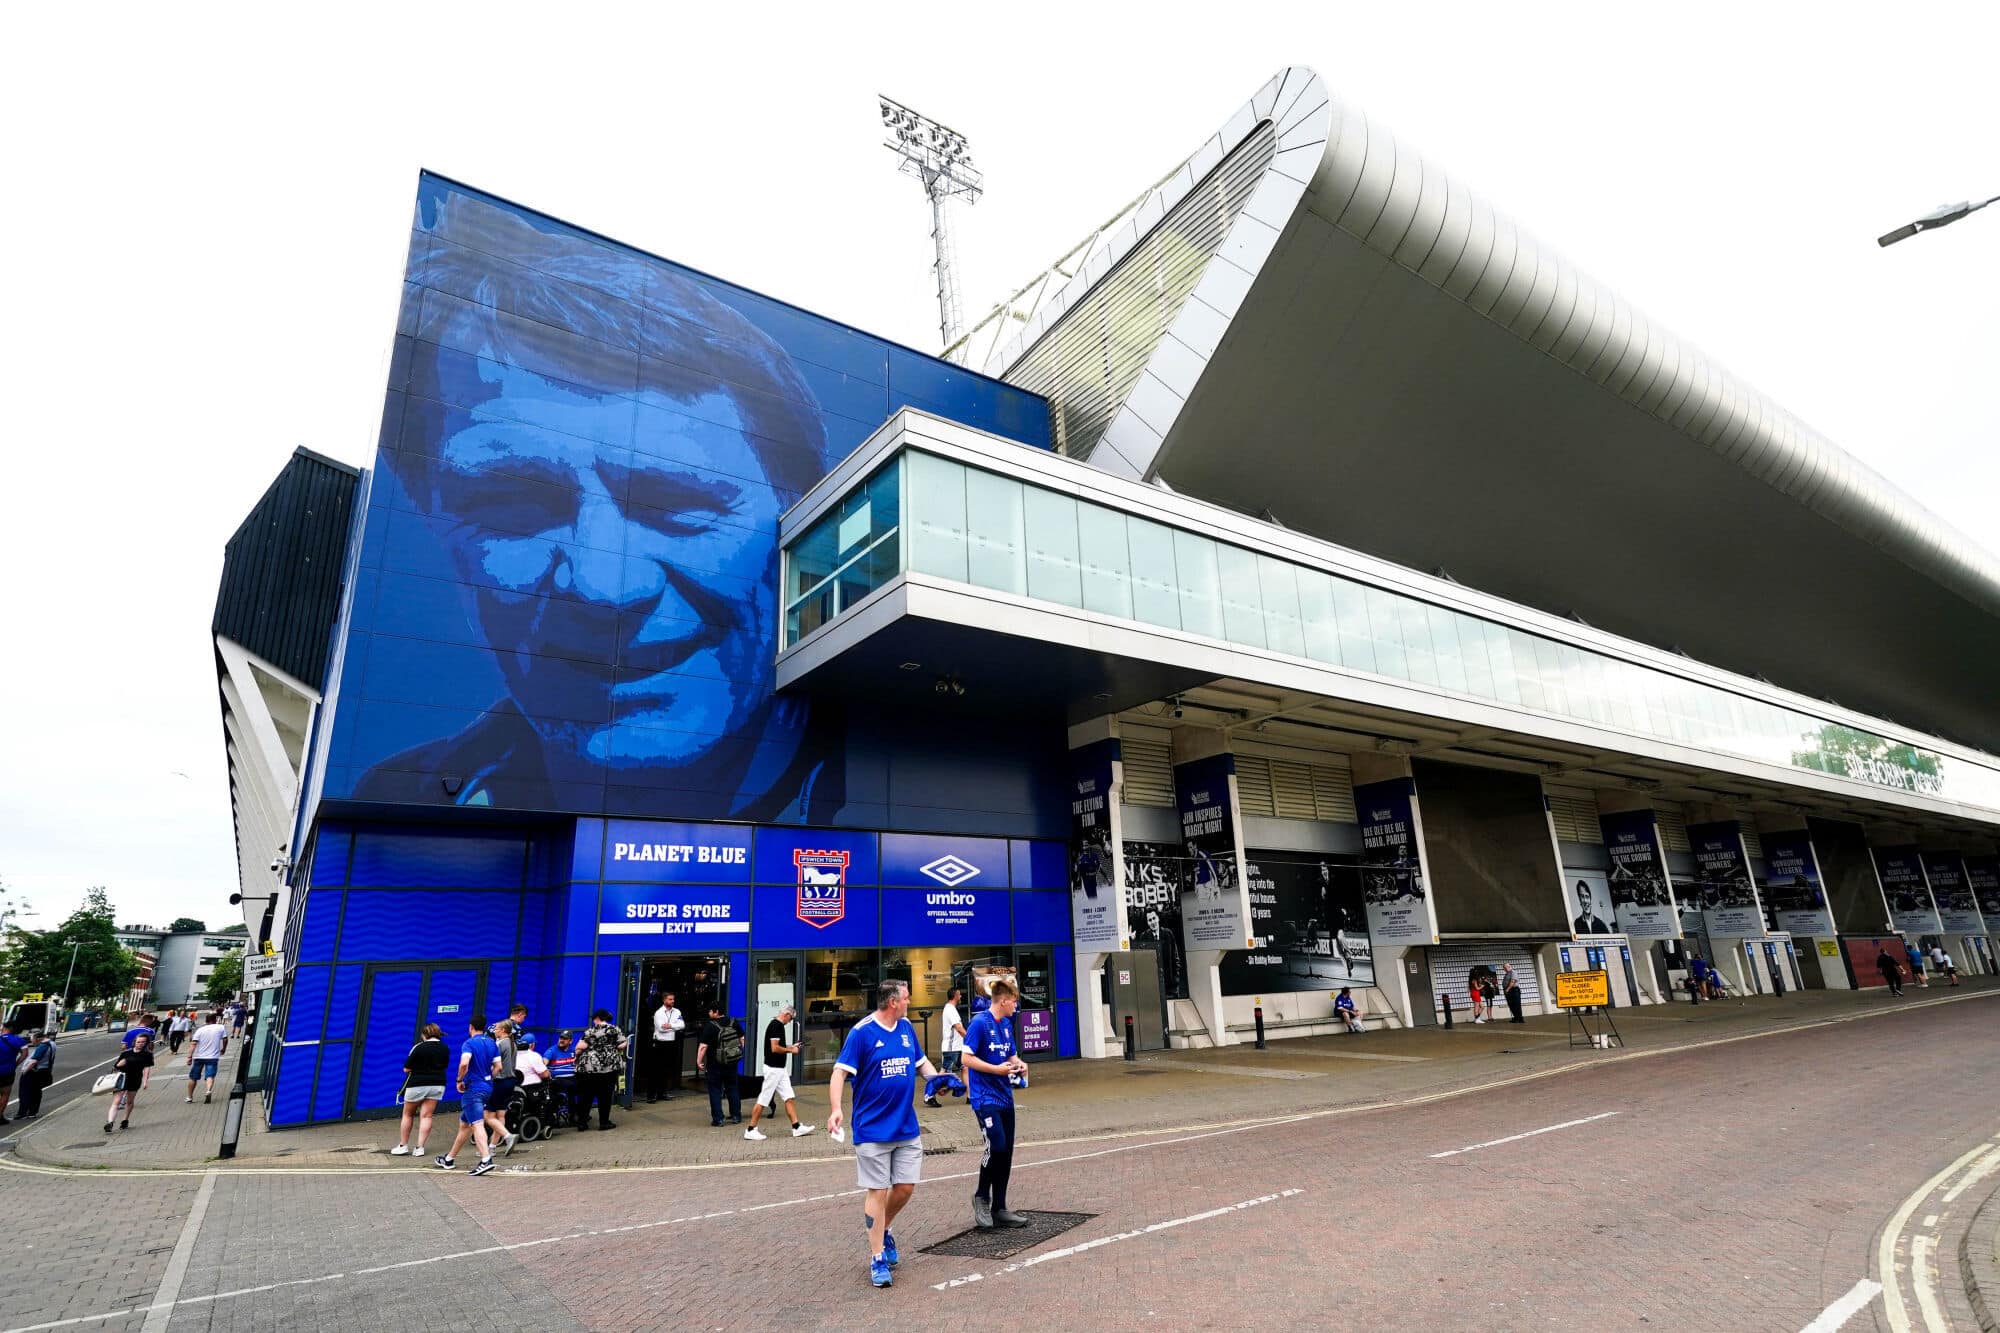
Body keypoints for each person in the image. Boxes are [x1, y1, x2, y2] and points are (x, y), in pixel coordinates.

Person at [352, 181, 842, 825]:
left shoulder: (905, 788)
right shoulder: (391, 809)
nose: (604, 584)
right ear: (433, 519)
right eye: (514, 509)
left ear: (798, 530)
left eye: (677, 507)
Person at [829, 980, 938, 1289]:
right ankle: (877, 1256)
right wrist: (836, 1109)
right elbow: (839, 1073)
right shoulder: (862, 1033)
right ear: (893, 1002)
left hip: (906, 1126)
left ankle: (883, 1228)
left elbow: (921, 1063)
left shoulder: (905, 1029)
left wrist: (938, 1079)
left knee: (904, 1188)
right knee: (877, 1191)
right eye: (906, 998)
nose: (909, 1002)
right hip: (872, 1129)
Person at [962, 978, 1031, 1231]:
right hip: (985, 1098)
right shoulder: (979, 1023)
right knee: (997, 1146)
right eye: (1014, 1002)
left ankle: (1000, 1207)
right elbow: (966, 1058)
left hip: (1005, 1097)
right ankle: (981, 1196)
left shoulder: (1006, 1025)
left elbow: (1009, 1054)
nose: (1016, 1006)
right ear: (1003, 1001)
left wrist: (1019, 1063)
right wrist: (995, 1070)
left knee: (1007, 1152)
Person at [436, 1015, 501, 1175]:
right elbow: (498, 1066)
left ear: (471, 1027)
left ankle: (486, 1159)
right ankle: (449, 1159)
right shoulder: (492, 1043)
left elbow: (464, 1063)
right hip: (487, 1087)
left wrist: (459, 1079)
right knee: (465, 1125)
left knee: (477, 1124)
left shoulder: (469, 1044)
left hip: (473, 1089)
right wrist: (488, 1078)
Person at [744, 1003, 813, 1140]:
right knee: (764, 1099)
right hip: (773, 1069)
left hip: (780, 1069)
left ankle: (796, 1127)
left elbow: (778, 1045)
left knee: (788, 1096)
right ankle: (751, 1129)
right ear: (787, 1014)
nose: (790, 1022)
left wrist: (791, 1046)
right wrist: (791, 1050)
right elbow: (774, 1048)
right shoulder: (776, 1026)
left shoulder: (777, 1025)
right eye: (791, 1019)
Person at [391, 1022, 449, 1157]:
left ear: (424, 1034)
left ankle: (403, 1145)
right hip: (437, 1084)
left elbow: (406, 1068)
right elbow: (444, 1065)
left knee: (408, 1114)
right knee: (427, 1116)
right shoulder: (444, 1048)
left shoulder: (419, 1047)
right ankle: (420, 1148)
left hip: (417, 1084)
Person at [572, 1009, 626, 1131]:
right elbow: (622, 1044)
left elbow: (580, 1047)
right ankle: (604, 1122)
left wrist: (578, 1055)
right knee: (605, 1096)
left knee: (585, 1095)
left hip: (589, 1067)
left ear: (597, 1018)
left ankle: (582, 1123)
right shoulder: (614, 1029)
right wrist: (612, 1048)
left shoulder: (591, 1031)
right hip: (609, 1067)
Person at [697, 1001, 744, 1127]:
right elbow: (742, 1039)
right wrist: (736, 1052)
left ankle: (718, 1119)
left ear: (716, 1012)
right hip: (731, 1063)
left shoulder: (711, 1026)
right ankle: (736, 1116)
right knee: (732, 1088)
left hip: (715, 1064)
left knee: (715, 1091)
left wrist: (699, 1061)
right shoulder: (734, 1022)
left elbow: (703, 1046)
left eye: (710, 1011)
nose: (709, 1013)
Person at [484, 1019, 521, 1157]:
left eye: (497, 1029)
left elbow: (492, 1063)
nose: (495, 1031)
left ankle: (508, 1136)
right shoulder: (513, 1044)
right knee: (500, 1115)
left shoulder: (499, 1044)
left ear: (504, 1031)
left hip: (499, 1081)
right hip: (510, 1082)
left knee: (488, 1116)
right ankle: (492, 1147)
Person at [105, 1031, 155, 1132]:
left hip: (135, 1079)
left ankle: (125, 1120)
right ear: (134, 1042)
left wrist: (145, 1082)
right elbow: (116, 1066)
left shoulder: (147, 1055)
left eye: (143, 1042)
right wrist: (120, 1064)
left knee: (130, 1101)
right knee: (117, 1101)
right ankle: (110, 1122)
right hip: (122, 1079)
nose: (140, 1044)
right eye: (138, 1042)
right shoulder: (126, 1053)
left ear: (146, 1043)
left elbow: (146, 1069)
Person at [929, 987, 967, 1106]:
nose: (961, 997)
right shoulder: (950, 1009)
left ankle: (970, 1097)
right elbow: (959, 1028)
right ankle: (929, 1094)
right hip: (951, 1049)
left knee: (966, 1068)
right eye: (959, 995)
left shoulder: (952, 1009)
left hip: (958, 1047)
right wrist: (970, 1039)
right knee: (943, 1073)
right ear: (955, 996)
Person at [184, 1011, 230, 1104]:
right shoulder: (220, 1027)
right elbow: (225, 1039)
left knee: (193, 1077)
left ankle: (189, 1097)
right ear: (215, 1019)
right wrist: (223, 1049)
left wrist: (189, 1057)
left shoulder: (200, 1030)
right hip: (213, 1057)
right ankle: (208, 1090)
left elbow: (193, 1044)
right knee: (210, 1075)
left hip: (199, 1057)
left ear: (206, 1020)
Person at [649, 990, 685, 1102]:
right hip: (660, 1043)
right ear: (664, 1000)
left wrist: (669, 1025)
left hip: (671, 1043)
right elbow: (660, 1028)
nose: (672, 1001)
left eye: (673, 999)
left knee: (667, 1069)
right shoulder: (658, 1013)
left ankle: (662, 1093)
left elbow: (682, 1025)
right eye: (670, 999)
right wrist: (674, 1026)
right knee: (655, 1070)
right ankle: (651, 1095)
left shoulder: (677, 1011)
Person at [15, 1030, 56, 1118]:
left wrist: (25, 1071)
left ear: (38, 1039)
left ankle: (22, 1113)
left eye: (32, 1039)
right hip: (44, 1071)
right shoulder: (52, 1043)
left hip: (34, 1072)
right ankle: (32, 1112)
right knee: (36, 1092)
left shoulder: (42, 1047)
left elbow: (34, 1061)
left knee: (25, 1093)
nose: (31, 1041)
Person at [547, 1029, 579, 1122]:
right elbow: (544, 1063)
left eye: (565, 1039)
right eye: (561, 1038)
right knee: (569, 1086)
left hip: (572, 1078)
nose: (561, 1040)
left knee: (585, 1087)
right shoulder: (552, 1050)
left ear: (570, 1041)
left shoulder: (574, 1050)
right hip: (558, 1079)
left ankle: (578, 1114)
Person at [0, 1021, 27, 1124]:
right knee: (5, 1094)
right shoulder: (19, 1041)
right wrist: (14, 1065)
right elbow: (24, 1054)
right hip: (7, 1072)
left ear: (4, 1027)